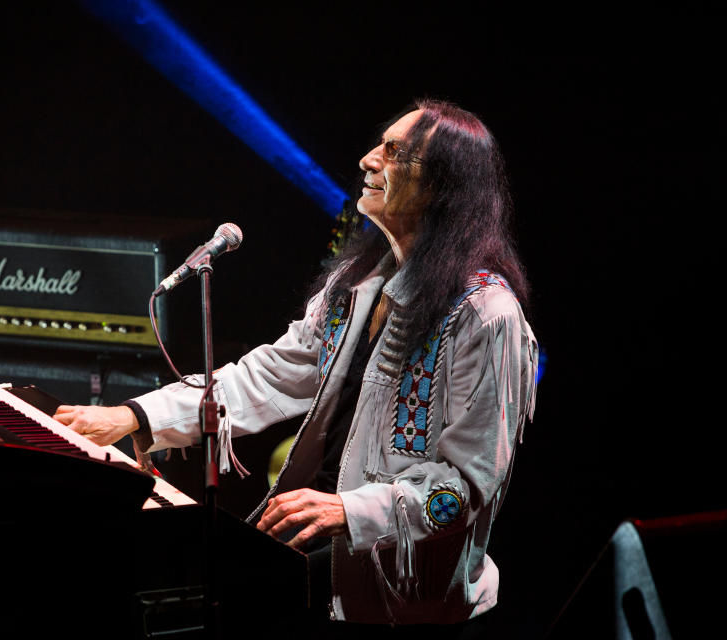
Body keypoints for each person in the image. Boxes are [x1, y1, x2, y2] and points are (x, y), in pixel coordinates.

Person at [53, 98, 538, 632]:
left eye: (394, 152)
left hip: (412, 608)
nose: (368, 160)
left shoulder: (487, 315)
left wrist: (349, 511)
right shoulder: (359, 285)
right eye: (379, 145)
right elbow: (270, 374)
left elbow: (465, 487)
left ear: (442, 185)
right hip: (334, 569)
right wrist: (137, 415)